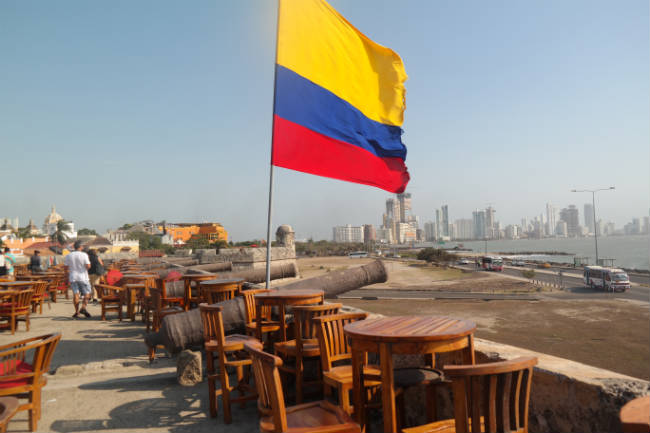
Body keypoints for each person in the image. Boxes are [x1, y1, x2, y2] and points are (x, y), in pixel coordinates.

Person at [64, 241, 92, 318]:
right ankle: (83, 308)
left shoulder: (68, 255)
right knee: (88, 293)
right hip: (83, 277)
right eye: (82, 246)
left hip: (73, 277)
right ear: (80, 247)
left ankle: (76, 312)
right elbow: (88, 266)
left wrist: (67, 276)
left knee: (76, 294)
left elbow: (65, 268)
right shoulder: (84, 255)